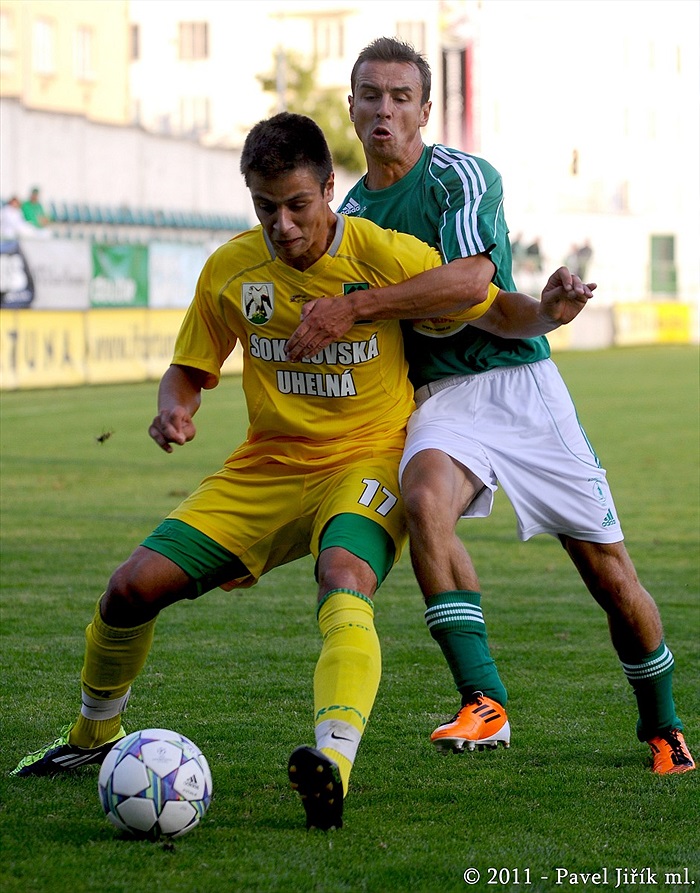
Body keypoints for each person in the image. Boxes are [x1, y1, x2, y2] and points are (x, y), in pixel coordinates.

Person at [9, 112, 592, 831]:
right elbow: (189, 367)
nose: (281, 224)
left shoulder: (380, 251)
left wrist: (548, 313)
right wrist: (175, 409)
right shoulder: (232, 268)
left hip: (368, 458)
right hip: (268, 467)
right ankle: (91, 736)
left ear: (327, 188)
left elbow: (487, 301)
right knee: (130, 588)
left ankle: (332, 766)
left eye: (296, 205)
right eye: (264, 207)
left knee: (344, 574)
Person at [285, 38, 694, 775]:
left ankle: (664, 726)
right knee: (423, 495)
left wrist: (546, 311)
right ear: (350, 108)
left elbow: (475, 283)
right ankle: (485, 700)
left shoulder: (460, 178)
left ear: (425, 110)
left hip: (521, 387)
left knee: (609, 573)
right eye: (370, 96)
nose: (384, 110)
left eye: (400, 97)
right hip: (441, 396)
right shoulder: (348, 216)